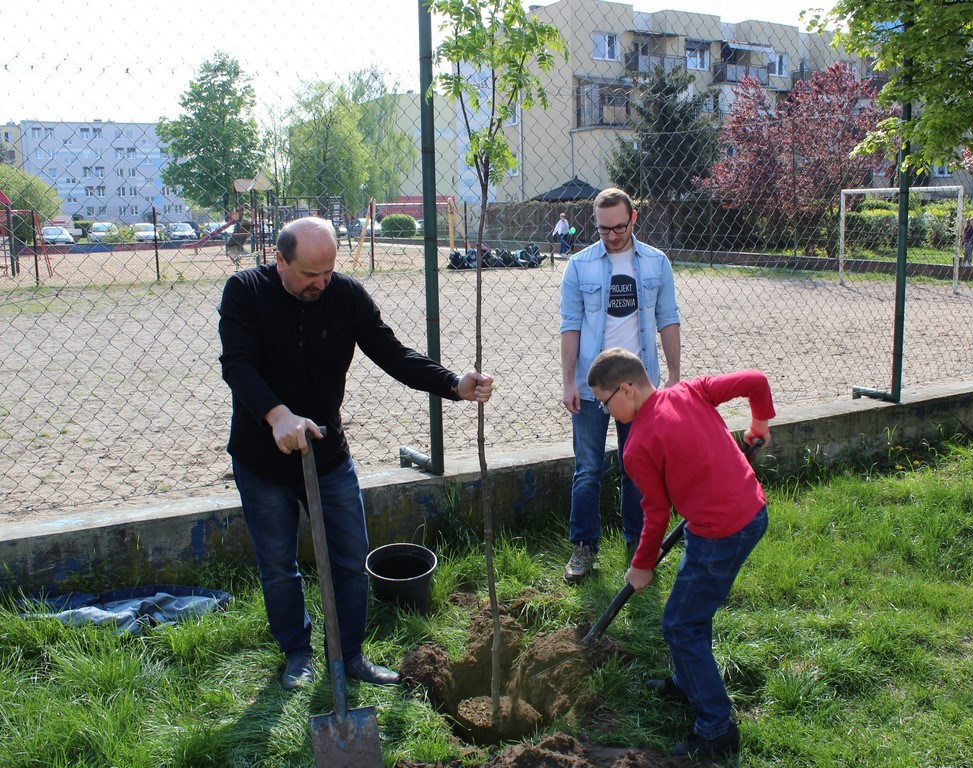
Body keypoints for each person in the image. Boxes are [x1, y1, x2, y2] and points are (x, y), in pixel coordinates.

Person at [218, 216, 494, 690]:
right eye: (309, 275)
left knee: (349, 558)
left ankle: (348, 655)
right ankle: (298, 654)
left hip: (328, 457)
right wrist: (278, 415)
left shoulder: (344, 296)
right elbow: (237, 364)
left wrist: (452, 383)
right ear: (280, 260)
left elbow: (393, 353)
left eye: (327, 273)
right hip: (261, 461)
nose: (320, 284)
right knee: (279, 565)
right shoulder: (245, 291)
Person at [586, 347, 774, 761]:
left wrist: (640, 567)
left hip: (721, 532)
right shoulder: (692, 390)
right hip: (751, 509)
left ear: (628, 389)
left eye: (605, 403)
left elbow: (655, 515)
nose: (605, 411)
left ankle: (716, 728)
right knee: (691, 611)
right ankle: (689, 679)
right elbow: (756, 381)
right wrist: (760, 421)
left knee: (679, 625)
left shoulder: (637, 448)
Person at [559, 187, 680, 583]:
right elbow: (571, 326)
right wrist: (568, 383)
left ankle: (637, 546)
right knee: (588, 468)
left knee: (638, 468)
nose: (611, 236)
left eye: (618, 228)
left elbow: (668, 319)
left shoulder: (657, 263)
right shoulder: (579, 267)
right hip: (592, 387)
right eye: (602, 229)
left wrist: (675, 379)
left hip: (639, 390)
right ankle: (584, 549)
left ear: (634, 219)